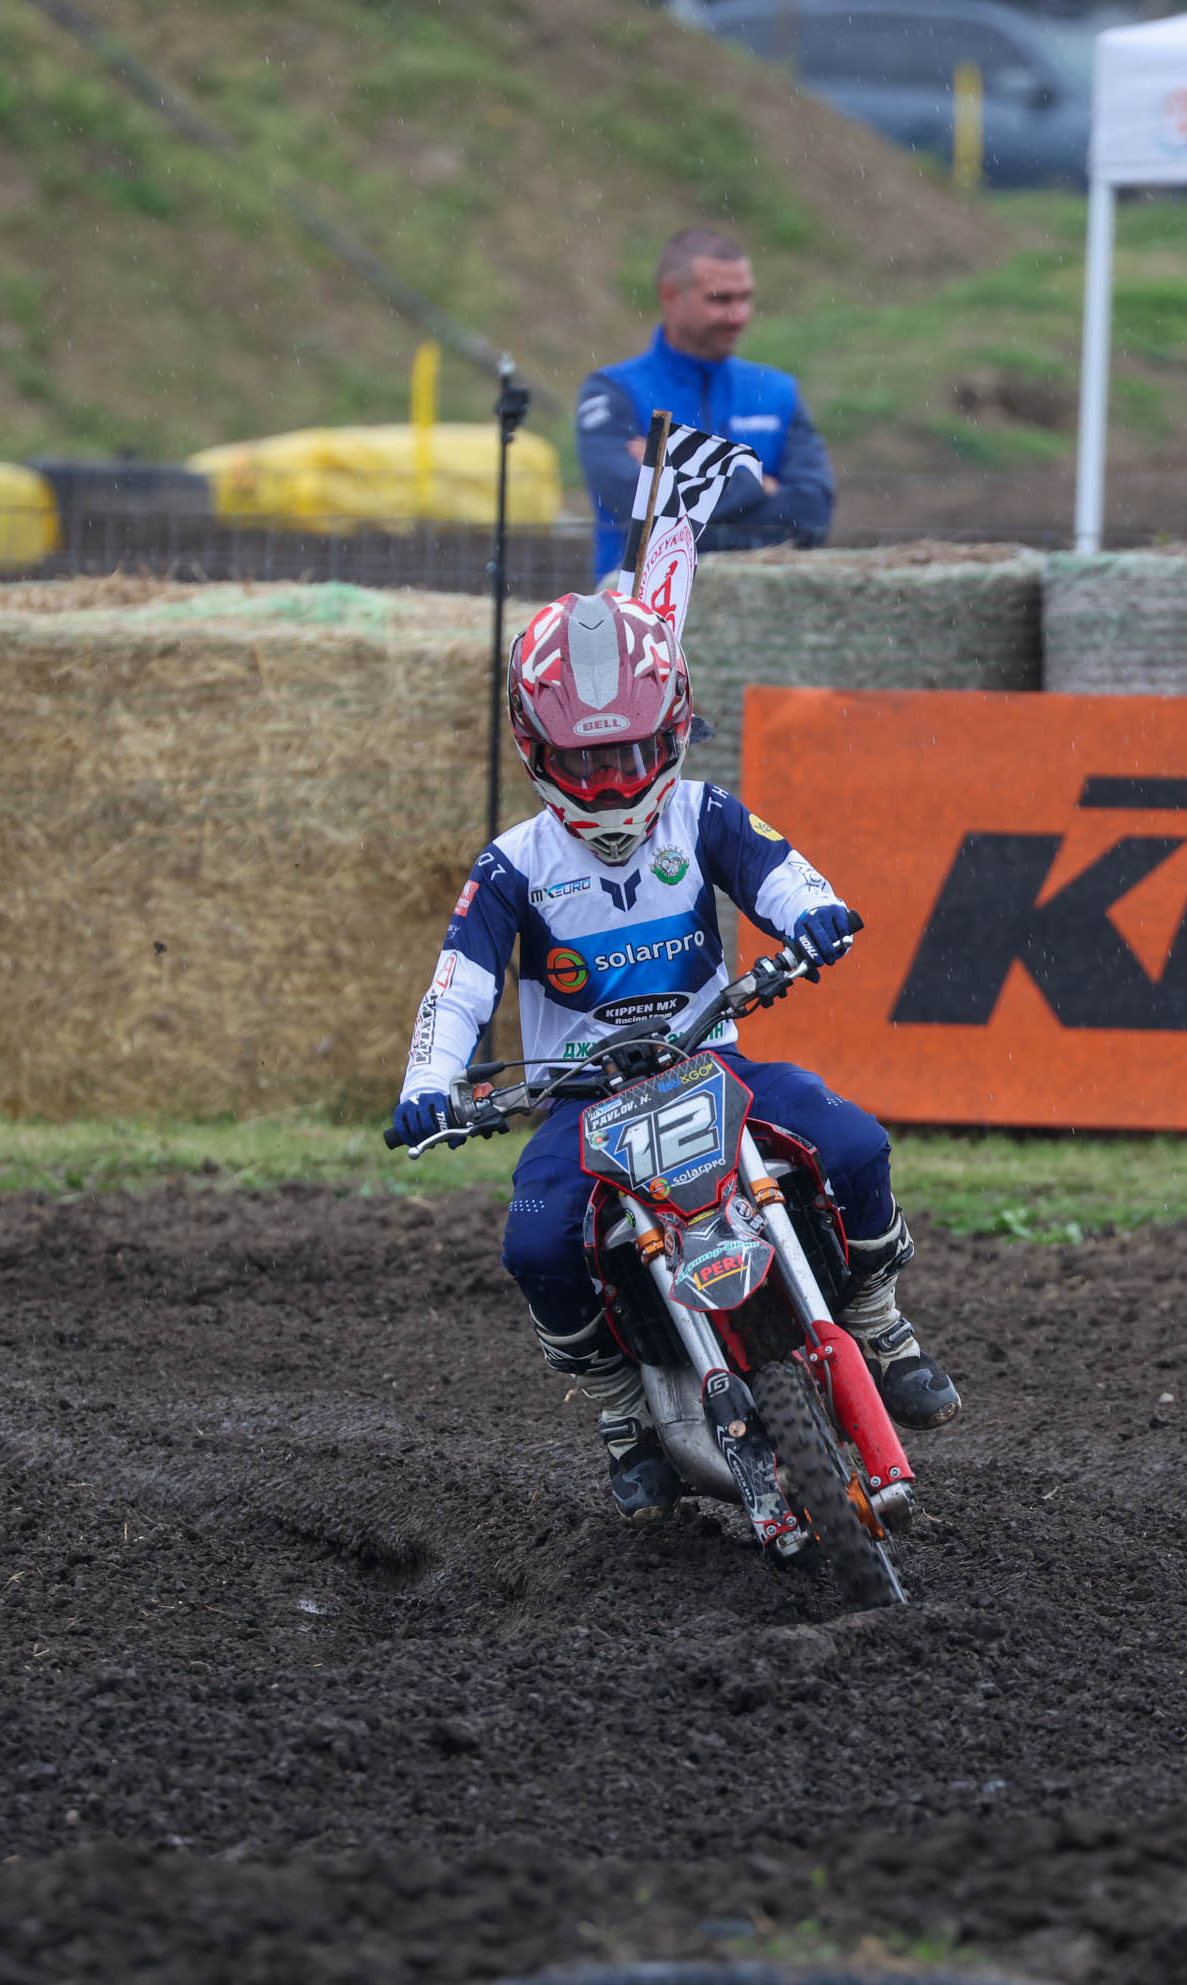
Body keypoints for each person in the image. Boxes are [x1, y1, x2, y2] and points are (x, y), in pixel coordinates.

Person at [391, 590, 957, 1517]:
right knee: (536, 1243)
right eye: (585, 763)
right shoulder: (511, 865)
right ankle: (623, 1410)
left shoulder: (703, 814)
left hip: (712, 1064)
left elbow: (783, 875)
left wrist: (815, 914)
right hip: (583, 1102)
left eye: (627, 757)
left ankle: (877, 1323)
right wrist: (428, 1082)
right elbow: (459, 987)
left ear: (674, 730)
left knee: (854, 1144)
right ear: (536, 750)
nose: (611, 787)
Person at [579, 226, 835, 585]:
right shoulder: (612, 392)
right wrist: (756, 485)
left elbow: (812, 515)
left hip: (764, 611)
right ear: (670, 295)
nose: (738, 315)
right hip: (642, 614)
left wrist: (679, 482)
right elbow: (639, 507)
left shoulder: (777, 392)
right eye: (720, 300)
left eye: (745, 298)